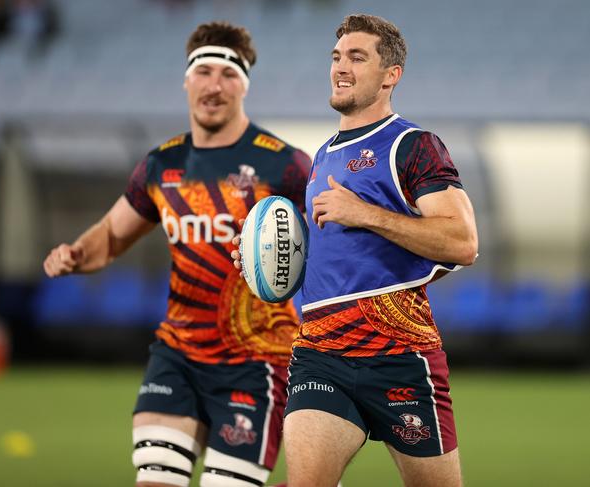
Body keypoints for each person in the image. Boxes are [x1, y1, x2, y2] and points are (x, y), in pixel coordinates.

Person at [43, 22, 311, 487]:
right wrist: (75, 253)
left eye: (228, 75)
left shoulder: (284, 164)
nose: (214, 85)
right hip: (177, 354)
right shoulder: (160, 164)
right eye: (203, 71)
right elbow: (111, 234)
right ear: (186, 80)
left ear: (244, 85)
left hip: (256, 360)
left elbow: (334, 243)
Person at [233, 13, 478, 487]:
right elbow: (338, 263)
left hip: (400, 355)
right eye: (337, 56)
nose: (340, 67)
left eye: (357, 57)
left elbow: (462, 243)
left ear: (391, 75)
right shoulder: (325, 154)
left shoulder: (412, 146)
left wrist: (366, 213)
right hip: (321, 352)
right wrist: (269, 261)